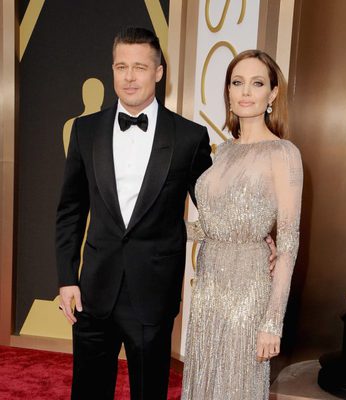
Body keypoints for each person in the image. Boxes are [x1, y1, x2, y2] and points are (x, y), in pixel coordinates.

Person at [55, 27, 213, 400]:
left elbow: (213, 205)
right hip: (93, 290)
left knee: (149, 391)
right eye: (121, 66)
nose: (129, 77)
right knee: (88, 390)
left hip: (153, 291)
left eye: (140, 67)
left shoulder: (190, 137)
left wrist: (257, 236)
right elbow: (70, 211)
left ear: (158, 72)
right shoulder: (85, 130)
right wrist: (66, 278)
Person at [182, 50, 303, 400]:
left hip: (249, 290)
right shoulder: (223, 152)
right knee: (204, 381)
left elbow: (290, 243)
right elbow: (210, 226)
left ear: (273, 94)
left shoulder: (284, 153)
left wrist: (272, 321)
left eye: (257, 83)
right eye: (237, 83)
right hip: (208, 287)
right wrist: (157, 230)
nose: (246, 91)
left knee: (236, 385)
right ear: (229, 93)